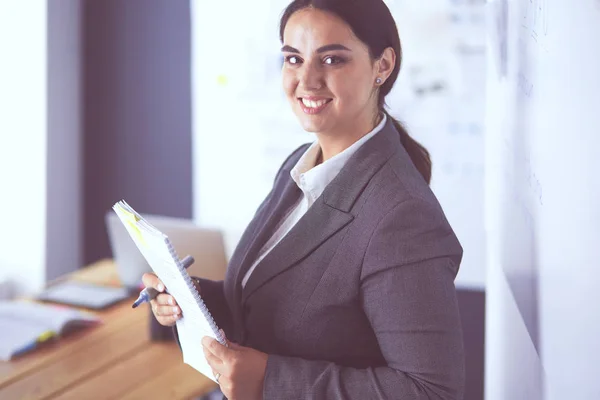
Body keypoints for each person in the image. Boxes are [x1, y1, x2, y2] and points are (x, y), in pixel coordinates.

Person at [143, 0, 465, 399]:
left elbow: (432, 391)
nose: (307, 80)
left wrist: (271, 380)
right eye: (293, 59)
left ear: (382, 66)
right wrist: (188, 299)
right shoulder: (301, 163)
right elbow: (278, 306)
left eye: (332, 60)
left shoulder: (403, 216)